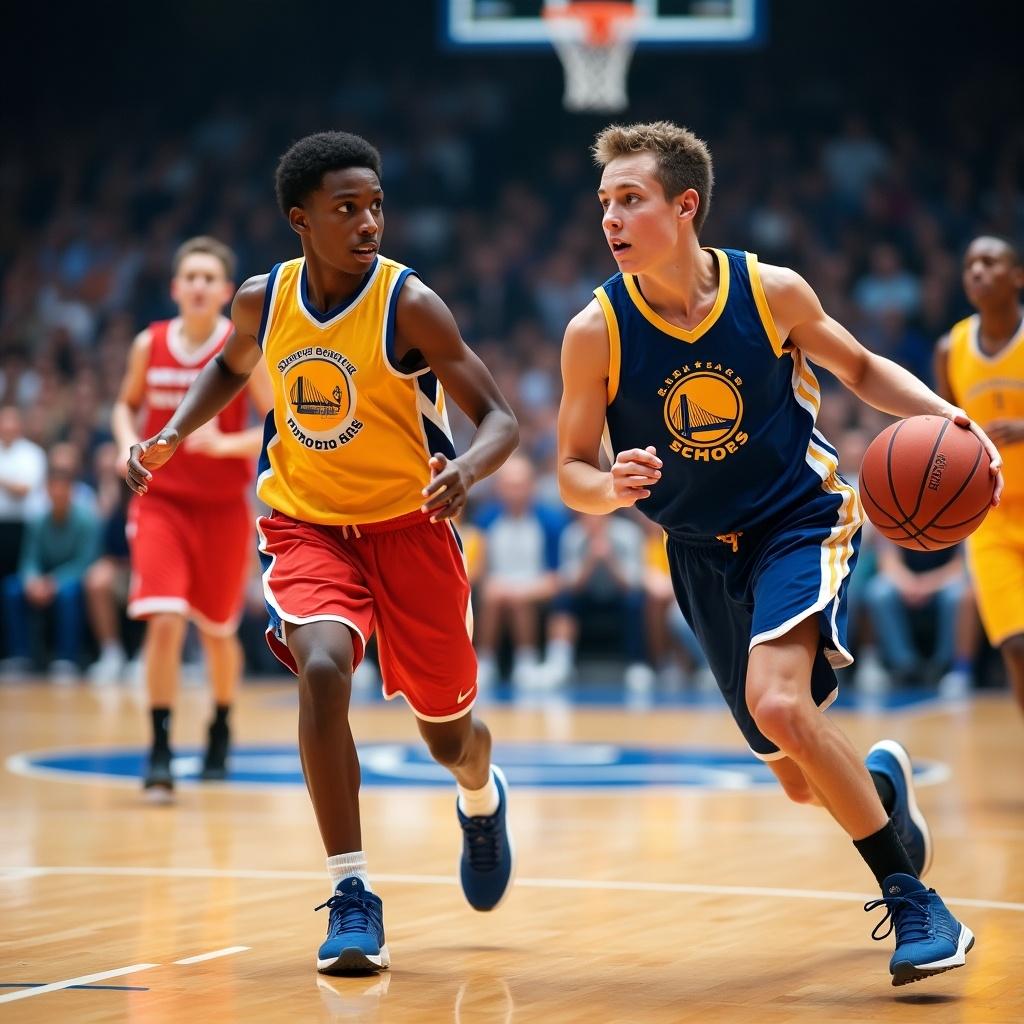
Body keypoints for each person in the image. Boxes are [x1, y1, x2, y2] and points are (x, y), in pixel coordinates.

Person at [556, 121, 1002, 986]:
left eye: (630, 199)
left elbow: (863, 369)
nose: (609, 218)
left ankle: (914, 902)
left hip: (799, 519)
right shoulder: (594, 331)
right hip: (696, 553)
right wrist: (605, 486)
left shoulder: (770, 292)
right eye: (604, 202)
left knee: (780, 704)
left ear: (684, 207)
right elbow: (571, 466)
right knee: (795, 771)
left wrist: (945, 417)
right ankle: (880, 787)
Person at [127, 132, 519, 974]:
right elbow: (231, 369)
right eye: (348, 209)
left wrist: (468, 472)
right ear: (300, 220)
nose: (369, 222)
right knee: (322, 669)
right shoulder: (262, 301)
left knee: (449, 738)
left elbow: (500, 418)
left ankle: (481, 798)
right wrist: (170, 433)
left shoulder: (410, 305)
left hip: (412, 527)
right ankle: (351, 894)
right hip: (306, 522)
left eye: (377, 205)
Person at [113, 236, 273, 797]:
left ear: (227, 292)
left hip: (223, 508)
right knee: (163, 618)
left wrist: (223, 447)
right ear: (177, 287)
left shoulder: (242, 347)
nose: (201, 285)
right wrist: (126, 442)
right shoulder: (148, 344)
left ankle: (221, 725)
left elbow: (275, 423)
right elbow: (124, 405)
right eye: (192, 276)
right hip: (160, 500)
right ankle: (158, 746)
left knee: (217, 631)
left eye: (210, 277)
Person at [935, 236, 1024, 715]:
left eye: (991, 262)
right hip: (990, 517)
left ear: (1018, 277)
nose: (977, 271)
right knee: (1016, 646)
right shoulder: (951, 348)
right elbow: (943, 430)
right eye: (970, 264)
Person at [2, 444, 99, 682]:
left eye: (63, 489)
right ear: (47, 491)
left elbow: (84, 562)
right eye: (53, 489)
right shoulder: (38, 520)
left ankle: (67, 658)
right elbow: (29, 558)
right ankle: (20, 656)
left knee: (68, 594)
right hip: (43, 580)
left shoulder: (86, 520)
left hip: (68, 581)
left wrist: (54, 582)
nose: (58, 494)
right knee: (12, 589)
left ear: (71, 491)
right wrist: (32, 580)